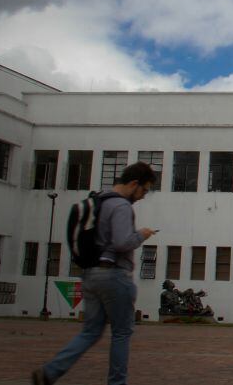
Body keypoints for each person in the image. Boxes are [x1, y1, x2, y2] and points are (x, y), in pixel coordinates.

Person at [32, 162, 158, 385]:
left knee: (90, 331)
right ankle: (117, 383)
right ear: (133, 183)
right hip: (114, 276)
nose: (142, 196)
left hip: (91, 274)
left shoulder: (98, 201)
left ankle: (51, 372)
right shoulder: (121, 206)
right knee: (121, 333)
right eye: (144, 190)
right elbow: (121, 243)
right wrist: (142, 235)